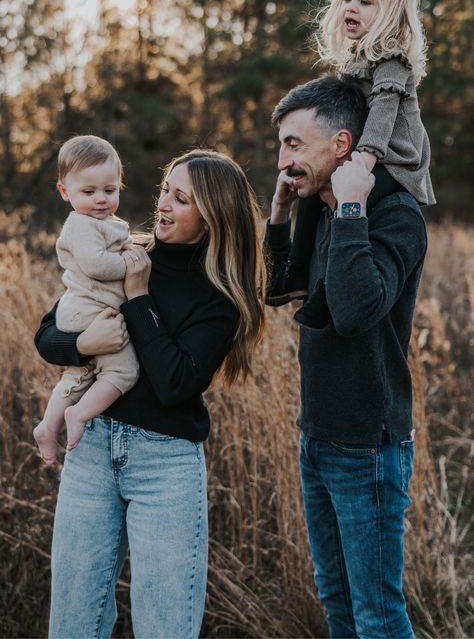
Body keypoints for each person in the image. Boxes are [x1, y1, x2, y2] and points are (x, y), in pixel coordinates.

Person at [34, 149, 266, 639]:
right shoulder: (124, 254)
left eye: (180, 199)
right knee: (74, 623)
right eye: (165, 190)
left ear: (211, 217)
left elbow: (174, 382)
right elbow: (46, 335)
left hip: (164, 466)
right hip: (91, 447)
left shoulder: (218, 298)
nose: (162, 204)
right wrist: (81, 344)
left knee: (164, 627)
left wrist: (138, 296)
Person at [265, 75, 428, 638]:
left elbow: (358, 311)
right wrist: (280, 217)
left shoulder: (394, 214)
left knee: (377, 615)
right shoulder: (320, 208)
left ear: (341, 145)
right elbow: (278, 292)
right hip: (319, 434)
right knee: (337, 602)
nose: (283, 160)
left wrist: (354, 207)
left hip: (370, 445)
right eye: (281, 144)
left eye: (294, 144)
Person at [269, 0, 435, 321]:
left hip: (393, 164)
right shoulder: (356, 59)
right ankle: (297, 274)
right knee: (314, 188)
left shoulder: (392, 61)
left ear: (390, 11)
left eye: (365, 1)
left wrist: (362, 159)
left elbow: (380, 115)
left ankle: (331, 292)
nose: (351, 8)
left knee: (348, 201)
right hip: (367, 155)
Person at [33, 135, 139, 464]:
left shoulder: (106, 223)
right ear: (65, 192)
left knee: (77, 375)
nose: (101, 200)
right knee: (123, 372)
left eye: (110, 190)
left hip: (83, 312)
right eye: (88, 192)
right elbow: (95, 264)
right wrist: (130, 265)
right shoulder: (80, 225)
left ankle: (48, 426)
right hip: (87, 314)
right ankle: (78, 415)